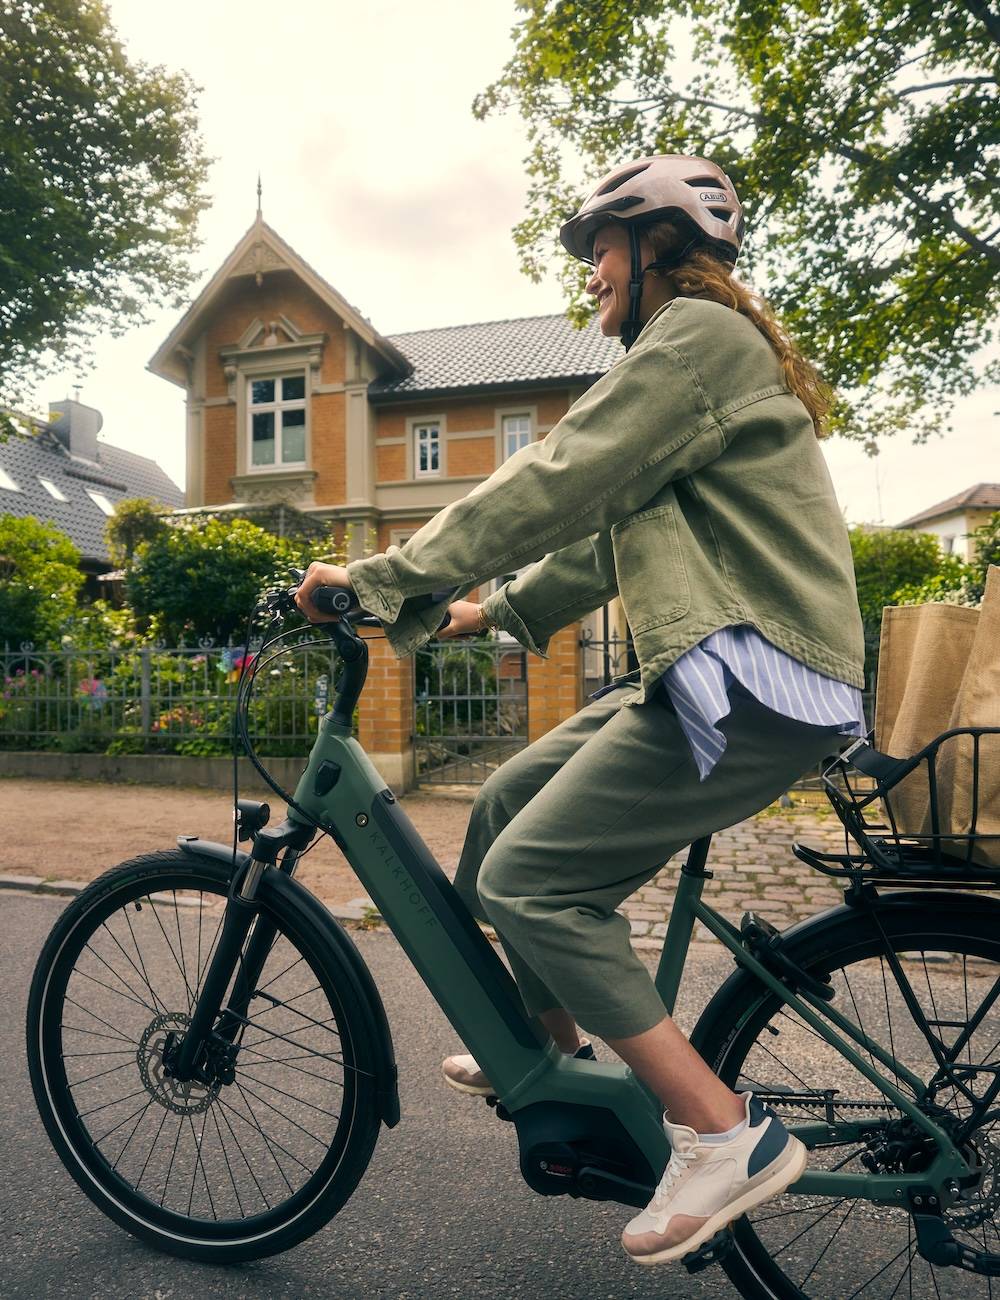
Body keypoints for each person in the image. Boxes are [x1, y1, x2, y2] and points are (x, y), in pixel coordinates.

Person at [294, 154, 866, 1267]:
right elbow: (606, 535)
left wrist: (383, 576)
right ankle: (547, 1054)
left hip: (757, 673)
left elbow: (556, 473)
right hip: (714, 664)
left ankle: (723, 1131)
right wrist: (471, 613)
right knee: (503, 805)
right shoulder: (689, 354)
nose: (590, 275)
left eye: (599, 249)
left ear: (658, 245)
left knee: (532, 883)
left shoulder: (696, 338)